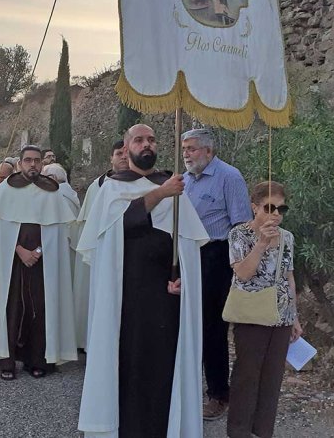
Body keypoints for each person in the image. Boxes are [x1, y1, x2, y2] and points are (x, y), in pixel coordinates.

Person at [77, 124, 209, 437]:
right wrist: (160, 195)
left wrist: (182, 278)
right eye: (139, 140)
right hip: (125, 298)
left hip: (165, 297)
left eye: (151, 139)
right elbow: (122, 226)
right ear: (126, 149)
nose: (146, 144)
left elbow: (187, 245)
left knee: (162, 367)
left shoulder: (172, 185)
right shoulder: (112, 188)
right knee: (128, 365)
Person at [0, 145, 78, 380]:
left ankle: (37, 360)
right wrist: (20, 251)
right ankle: (7, 362)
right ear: (20, 163)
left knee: (40, 310)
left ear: (42, 164)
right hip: (12, 263)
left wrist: (38, 251)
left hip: (43, 264)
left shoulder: (53, 193)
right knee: (11, 309)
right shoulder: (4, 191)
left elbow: (56, 234)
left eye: (37, 161)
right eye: (28, 160)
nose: (33, 164)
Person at [181, 128, 253, 421]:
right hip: (188, 256)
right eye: (184, 148)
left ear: (209, 152)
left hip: (217, 257)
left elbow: (241, 226)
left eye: (192, 149)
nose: (186, 154)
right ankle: (186, 389)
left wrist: (238, 268)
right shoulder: (184, 180)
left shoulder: (229, 177)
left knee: (213, 329)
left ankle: (218, 394)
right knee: (188, 325)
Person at [227, 181, 302, 438]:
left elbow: (289, 277)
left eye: (281, 209)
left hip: (280, 314)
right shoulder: (239, 234)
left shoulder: (288, 238)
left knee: (272, 377)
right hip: (251, 313)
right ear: (254, 207)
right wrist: (260, 244)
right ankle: (238, 430)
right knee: (247, 374)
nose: (276, 215)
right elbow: (243, 273)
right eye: (269, 208)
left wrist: (294, 317)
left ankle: (262, 431)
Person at [71, 140, 128, 350]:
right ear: (110, 158)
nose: (123, 157)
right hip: (101, 251)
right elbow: (88, 223)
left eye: (126, 153)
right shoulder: (98, 186)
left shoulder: (141, 184)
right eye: (118, 153)